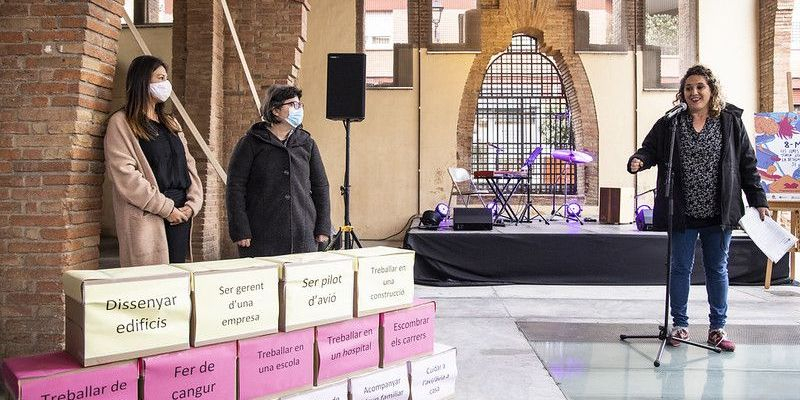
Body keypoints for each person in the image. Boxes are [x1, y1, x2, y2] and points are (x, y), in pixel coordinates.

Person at [627, 65, 769, 352]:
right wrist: (639, 159)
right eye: (689, 88)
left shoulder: (730, 121)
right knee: (680, 268)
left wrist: (758, 199)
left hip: (718, 212)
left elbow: (746, 162)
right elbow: (650, 148)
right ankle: (680, 325)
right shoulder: (671, 123)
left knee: (717, 269)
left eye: (700, 87)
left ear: (711, 90)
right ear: (682, 93)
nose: (694, 92)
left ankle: (717, 328)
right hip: (681, 210)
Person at [104, 55, 203, 267]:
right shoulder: (121, 123)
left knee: (178, 278)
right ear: (142, 81)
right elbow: (126, 176)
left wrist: (193, 203)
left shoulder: (170, 121)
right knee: (152, 285)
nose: (165, 84)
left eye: (166, 78)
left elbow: (188, 163)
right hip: (150, 213)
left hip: (181, 212)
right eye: (160, 78)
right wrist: (167, 209)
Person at [226, 84, 331, 257]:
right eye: (292, 105)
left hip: (303, 232)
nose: (298, 109)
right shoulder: (250, 143)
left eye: (300, 105)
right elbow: (235, 187)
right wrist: (240, 229)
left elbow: (321, 186)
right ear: (275, 110)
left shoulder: (307, 143)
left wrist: (323, 226)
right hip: (261, 233)